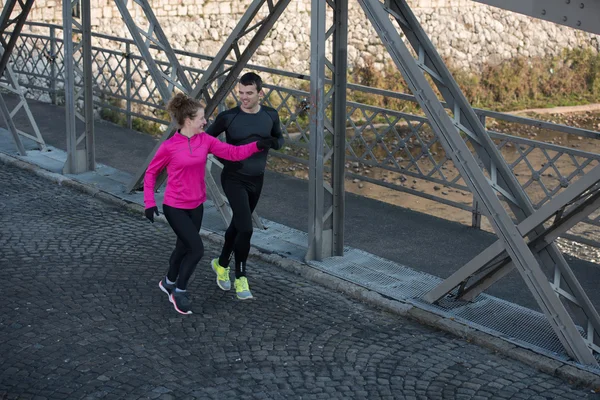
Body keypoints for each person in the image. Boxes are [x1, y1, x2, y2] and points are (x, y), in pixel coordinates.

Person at [144, 92, 278, 315]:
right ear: (188, 120)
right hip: (174, 206)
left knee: (183, 246)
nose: (206, 121)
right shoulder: (169, 146)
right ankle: (179, 291)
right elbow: (150, 173)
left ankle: (168, 281)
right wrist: (149, 202)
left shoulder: (205, 140)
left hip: (196, 205)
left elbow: (232, 153)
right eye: (201, 118)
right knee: (196, 249)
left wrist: (258, 145)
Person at [205, 72, 284, 300]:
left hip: (256, 180)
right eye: (240, 93)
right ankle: (241, 277)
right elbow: (207, 142)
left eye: (249, 93)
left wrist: (274, 143)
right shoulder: (228, 117)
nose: (244, 97)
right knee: (246, 228)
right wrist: (225, 157)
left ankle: (220, 264)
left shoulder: (270, 115)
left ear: (260, 93)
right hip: (233, 178)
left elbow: (279, 138)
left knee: (238, 226)